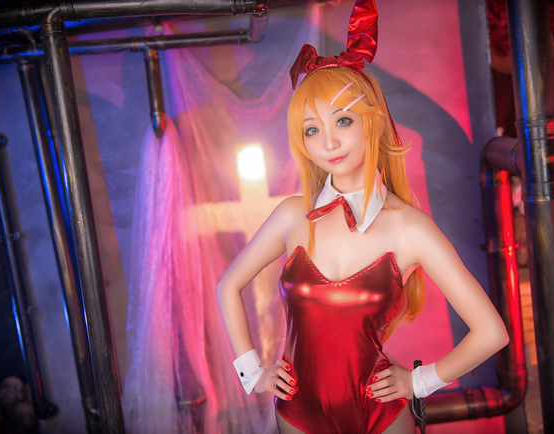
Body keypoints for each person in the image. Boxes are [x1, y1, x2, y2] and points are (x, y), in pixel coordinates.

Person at [216, 1, 509, 432]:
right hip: (297, 415)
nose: (329, 142)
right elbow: (227, 286)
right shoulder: (292, 216)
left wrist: (420, 381)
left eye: (343, 121)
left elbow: (492, 332)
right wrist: (252, 372)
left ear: (372, 121)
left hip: (381, 416)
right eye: (312, 129)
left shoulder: (410, 228)